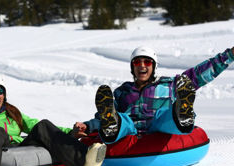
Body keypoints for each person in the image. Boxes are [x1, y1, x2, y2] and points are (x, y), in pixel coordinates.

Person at [74, 46, 234, 144]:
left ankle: (182, 115)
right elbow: (102, 116)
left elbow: (199, 74)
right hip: (130, 132)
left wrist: (229, 55)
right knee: (123, 120)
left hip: (159, 129)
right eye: (137, 62)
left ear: (154, 66)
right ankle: (112, 127)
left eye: (147, 62)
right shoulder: (123, 91)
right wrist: (88, 126)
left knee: (164, 116)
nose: (142, 66)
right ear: (132, 67)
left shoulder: (169, 84)